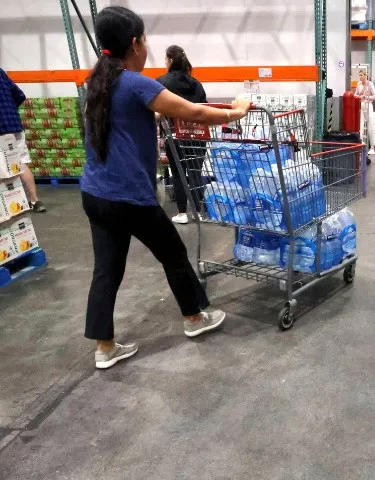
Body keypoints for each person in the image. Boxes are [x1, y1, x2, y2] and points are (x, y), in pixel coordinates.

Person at [81, 6, 251, 369]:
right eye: (145, 41)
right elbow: (196, 112)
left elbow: (128, 118)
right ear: (134, 43)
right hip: (129, 197)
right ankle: (194, 318)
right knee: (173, 253)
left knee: (106, 269)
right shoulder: (135, 82)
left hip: (94, 194)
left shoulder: (96, 81)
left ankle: (105, 347)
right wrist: (236, 112)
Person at [156, 45, 207, 225]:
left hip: (175, 135)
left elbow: (156, 106)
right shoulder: (197, 84)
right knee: (195, 172)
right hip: (197, 135)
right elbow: (204, 108)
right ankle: (198, 212)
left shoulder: (162, 82)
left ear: (169, 60)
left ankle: (182, 212)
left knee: (178, 172)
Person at [0, 68, 46, 213]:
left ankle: (9, 206)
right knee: (20, 162)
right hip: (15, 125)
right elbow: (19, 95)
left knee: (3, 168)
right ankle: (35, 201)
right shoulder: (0, 72)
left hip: (1, 129)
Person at [354, 70, 375, 157]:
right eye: (359, 75)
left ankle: (372, 147)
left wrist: (366, 97)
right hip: (361, 105)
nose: (360, 77)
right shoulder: (358, 84)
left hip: (368, 105)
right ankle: (361, 144)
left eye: (362, 75)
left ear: (365, 75)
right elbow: (355, 94)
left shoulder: (370, 84)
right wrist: (357, 96)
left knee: (370, 125)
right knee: (361, 125)